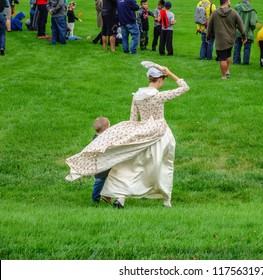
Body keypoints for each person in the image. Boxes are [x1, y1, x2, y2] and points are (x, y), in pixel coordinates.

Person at [66, 63, 190, 209]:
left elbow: (133, 119)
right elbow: (184, 87)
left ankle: (121, 198)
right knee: (162, 165)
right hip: (160, 134)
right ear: (160, 79)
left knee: (131, 166)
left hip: (142, 133)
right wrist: (170, 72)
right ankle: (166, 200)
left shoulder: (137, 96)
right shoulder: (159, 96)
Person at [206, 0, 246, 79]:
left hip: (220, 40)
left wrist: (208, 37)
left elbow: (209, 26)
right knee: (228, 54)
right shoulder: (234, 13)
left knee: (222, 58)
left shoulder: (214, 13)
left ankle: (223, 76)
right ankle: (227, 71)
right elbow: (241, 25)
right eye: (229, 1)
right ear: (227, 2)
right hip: (230, 39)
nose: (230, 2)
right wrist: (244, 35)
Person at [91, 117, 112, 204]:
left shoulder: (95, 138)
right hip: (102, 165)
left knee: (105, 180)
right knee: (99, 181)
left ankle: (106, 196)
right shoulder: (102, 139)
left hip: (102, 164)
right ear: (106, 128)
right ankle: (95, 199)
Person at [233, 0, 258, 65]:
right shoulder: (252, 10)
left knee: (237, 47)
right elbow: (253, 24)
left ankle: (236, 62)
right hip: (248, 33)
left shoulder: (236, 7)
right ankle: (245, 62)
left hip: (238, 32)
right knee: (247, 48)